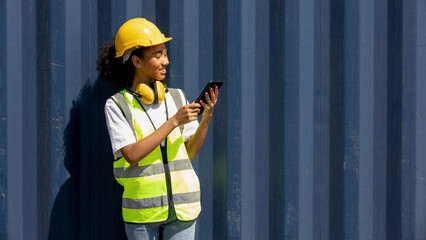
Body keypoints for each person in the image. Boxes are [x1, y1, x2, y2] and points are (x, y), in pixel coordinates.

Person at [97, 18, 219, 240]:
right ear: (137, 61)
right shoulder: (117, 105)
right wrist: (173, 122)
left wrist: (206, 119)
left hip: (184, 208)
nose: (166, 61)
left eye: (165, 53)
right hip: (143, 212)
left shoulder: (176, 97)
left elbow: (188, 155)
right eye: (158, 55)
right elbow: (131, 155)